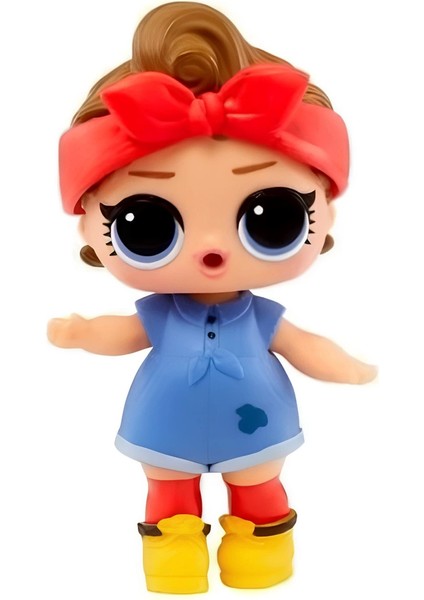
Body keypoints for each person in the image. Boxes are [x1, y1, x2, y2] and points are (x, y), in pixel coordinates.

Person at [48, 2, 377, 594]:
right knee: (168, 495)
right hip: (164, 425)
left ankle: (260, 564)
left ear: (325, 212)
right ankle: (174, 569)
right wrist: (81, 333)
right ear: (89, 227)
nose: (210, 249)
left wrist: (346, 367)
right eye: (146, 225)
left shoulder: (262, 317)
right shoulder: (159, 313)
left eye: (272, 217)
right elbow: (121, 333)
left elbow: (304, 346)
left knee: (260, 490)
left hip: (256, 427)